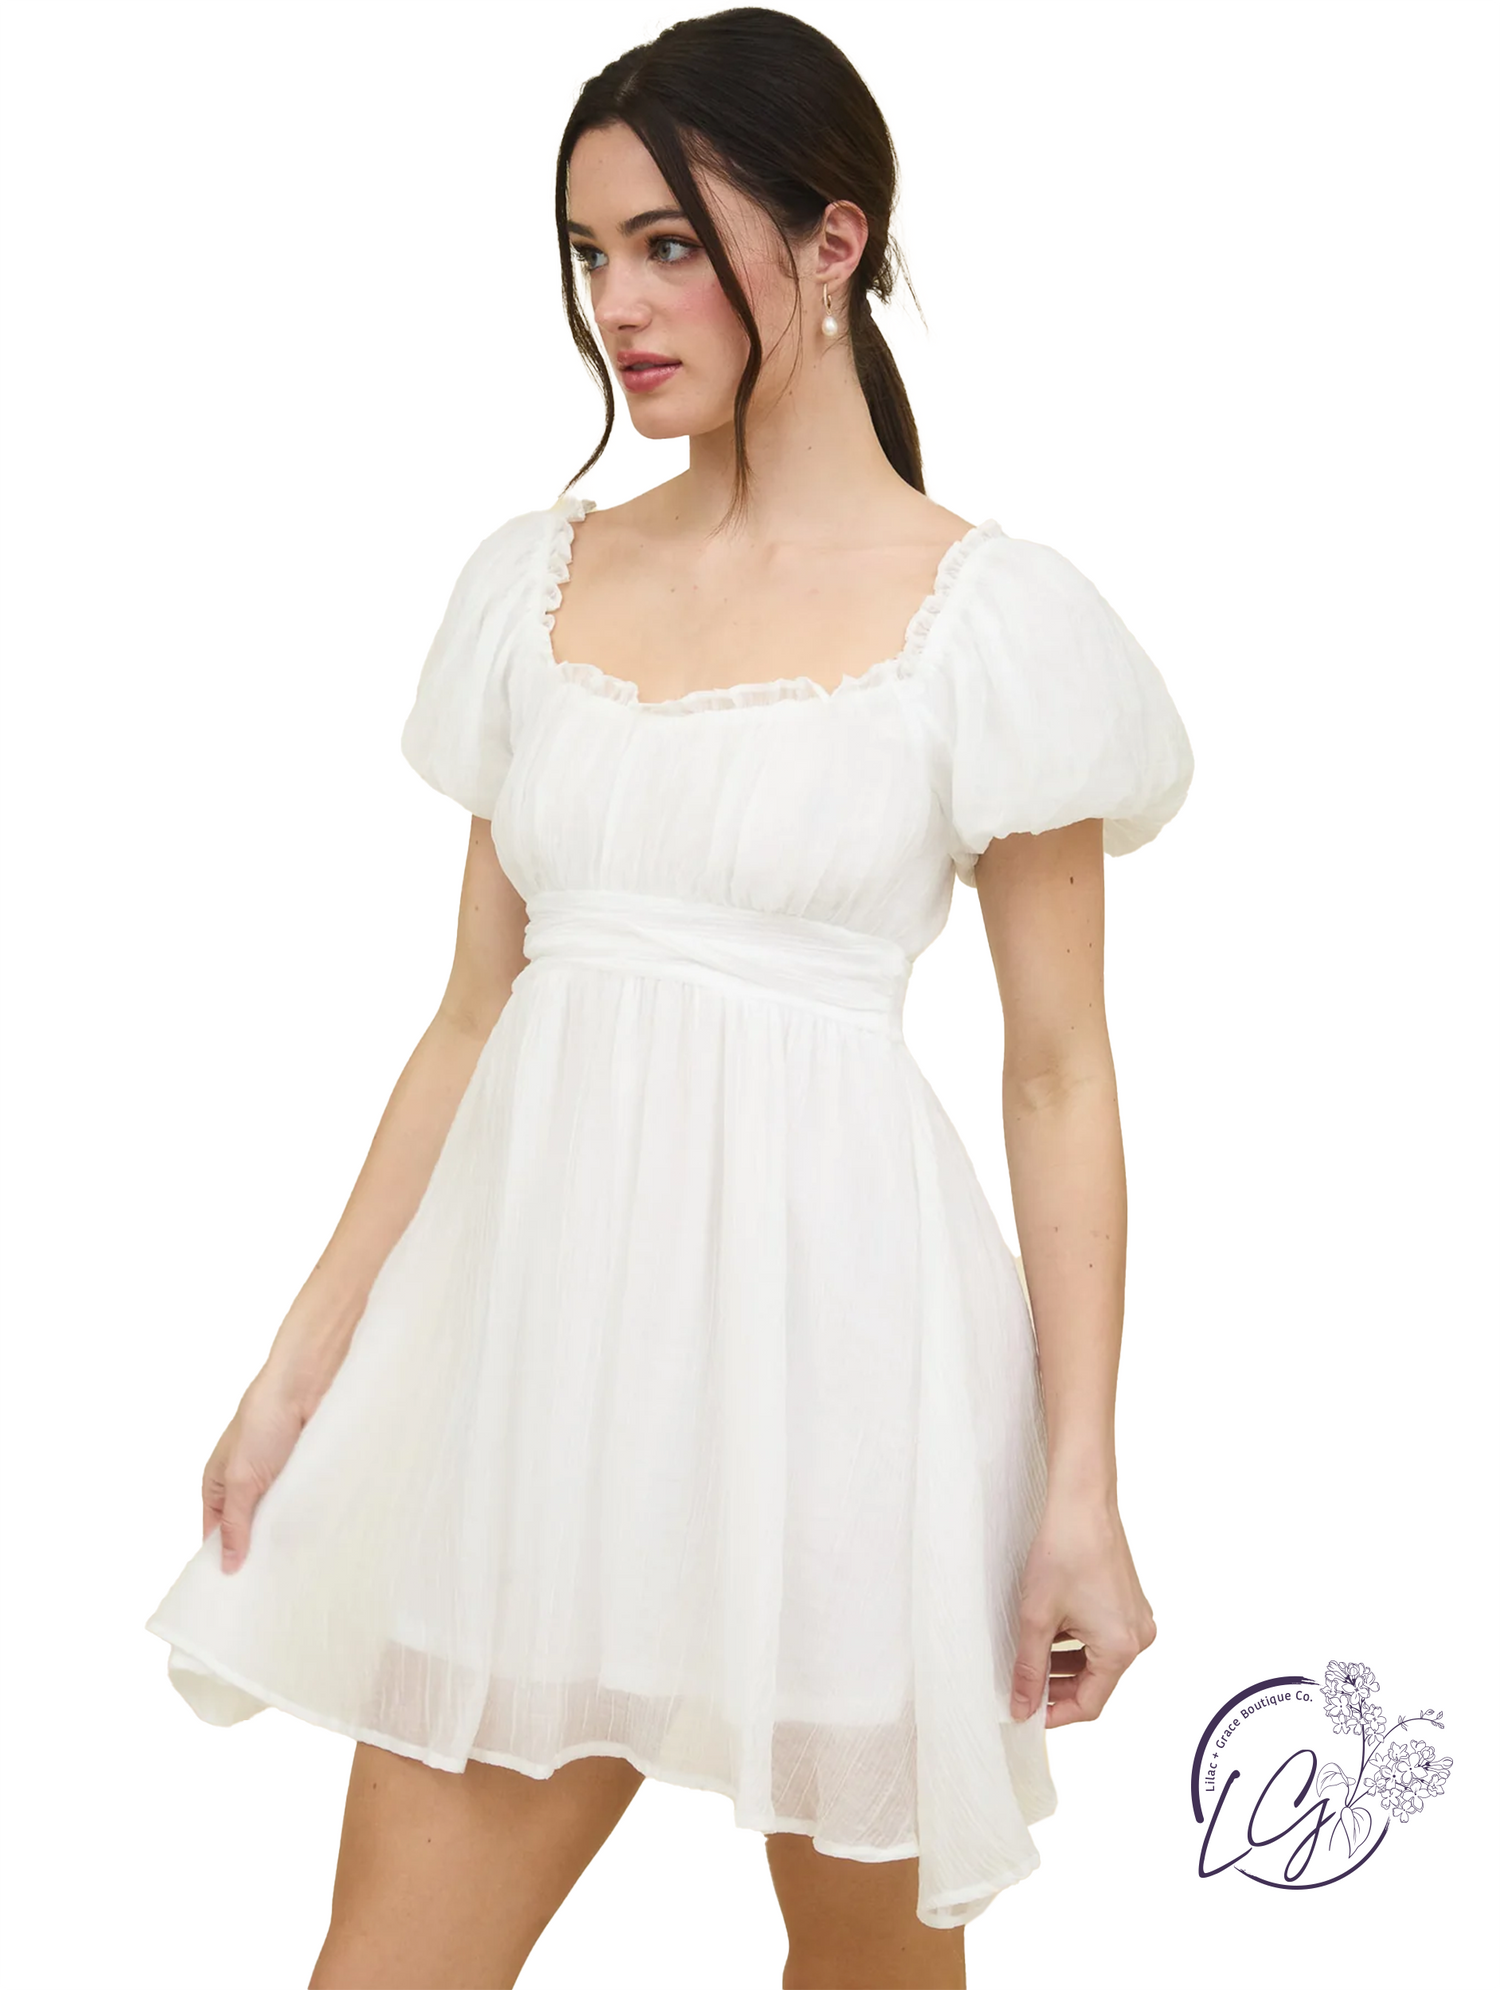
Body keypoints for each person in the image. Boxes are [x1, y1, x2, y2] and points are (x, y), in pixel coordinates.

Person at [145, 9, 1195, 1987]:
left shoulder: (998, 621)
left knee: (871, 1971)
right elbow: (474, 1013)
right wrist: (301, 1366)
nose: (616, 305)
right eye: (589, 251)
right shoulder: (535, 582)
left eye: (667, 245)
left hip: (852, 1375)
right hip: (542, 1376)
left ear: (832, 242)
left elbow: (1059, 1074)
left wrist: (1082, 1484)